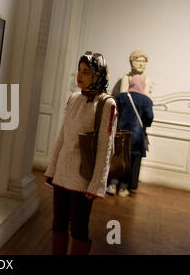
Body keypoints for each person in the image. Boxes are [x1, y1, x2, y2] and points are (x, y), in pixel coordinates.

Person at [44, 52, 118, 255]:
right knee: (58, 223)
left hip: (83, 178)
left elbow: (106, 147)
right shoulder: (73, 98)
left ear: (97, 74)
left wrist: (97, 184)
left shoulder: (106, 104)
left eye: (86, 72)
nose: (80, 75)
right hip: (62, 174)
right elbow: (62, 136)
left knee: (78, 228)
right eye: (79, 70)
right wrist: (52, 169)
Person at [107, 75, 154, 197]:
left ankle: (112, 185)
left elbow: (114, 113)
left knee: (117, 159)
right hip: (137, 137)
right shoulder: (147, 101)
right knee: (131, 163)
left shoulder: (121, 97)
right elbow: (149, 119)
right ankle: (123, 188)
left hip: (121, 134)